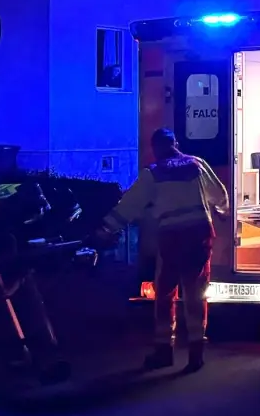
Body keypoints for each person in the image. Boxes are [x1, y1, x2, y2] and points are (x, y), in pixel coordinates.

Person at [96, 128, 229, 374]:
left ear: (155, 148)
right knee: (196, 293)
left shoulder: (153, 174)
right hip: (200, 236)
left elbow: (129, 206)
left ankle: (163, 350)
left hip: (172, 239)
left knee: (165, 293)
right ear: (175, 143)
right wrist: (222, 210)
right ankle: (196, 354)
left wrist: (104, 230)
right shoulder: (197, 165)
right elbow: (220, 195)